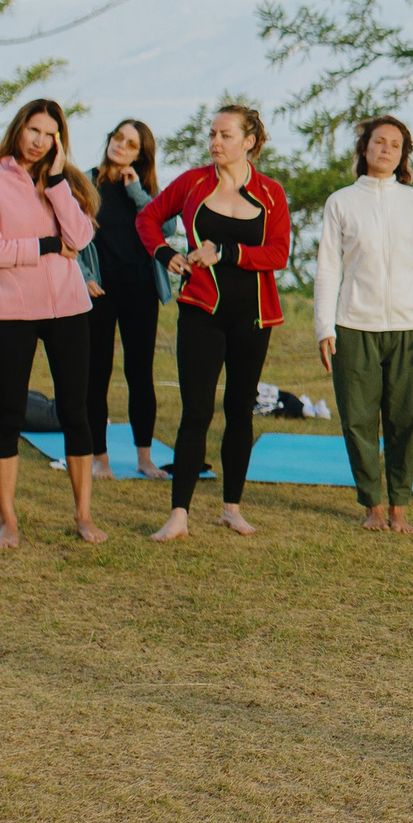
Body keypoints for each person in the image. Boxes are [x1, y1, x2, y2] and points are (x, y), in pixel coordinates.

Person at [136, 104, 290, 542]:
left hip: (255, 317)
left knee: (239, 410)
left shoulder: (272, 193)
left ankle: (231, 509)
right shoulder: (192, 183)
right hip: (200, 311)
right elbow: (146, 218)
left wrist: (225, 252)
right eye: (212, 134)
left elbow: (278, 253)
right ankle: (179, 515)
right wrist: (166, 254)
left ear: (250, 141)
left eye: (225, 135)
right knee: (196, 412)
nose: (215, 142)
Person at [0, 99, 102, 548]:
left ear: (59, 140)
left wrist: (59, 183)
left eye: (49, 134)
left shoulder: (63, 181)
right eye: (33, 130)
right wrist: (47, 244)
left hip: (69, 309)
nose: (38, 141)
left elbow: (81, 239)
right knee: (9, 412)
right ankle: (8, 521)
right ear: (19, 129)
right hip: (12, 312)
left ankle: (83, 516)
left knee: (75, 412)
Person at [315, 115, 413, 533]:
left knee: (406, 420)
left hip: (408, 328)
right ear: (364, 148)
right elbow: (328, 270)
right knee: (358, 420)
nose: (386, 149)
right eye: (378, 142)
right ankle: (371, 504)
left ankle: (400, 505)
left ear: (403, 153)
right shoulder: (341, 202)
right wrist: (324, 328)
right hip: (353, 326)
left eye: (395, 144)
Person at [85, 119, 176, 479]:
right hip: (99, 291)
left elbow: (167, 229)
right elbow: (68, 231)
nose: (120, 145)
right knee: (97, 374)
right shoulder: (86, 182)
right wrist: (85, 276)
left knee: (140, 374)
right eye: (117, 137)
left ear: (141, 155)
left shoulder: (146, 189)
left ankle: (144, 458)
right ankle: (100, 459)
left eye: (131, 144)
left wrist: (137, 192)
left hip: (140, 289)